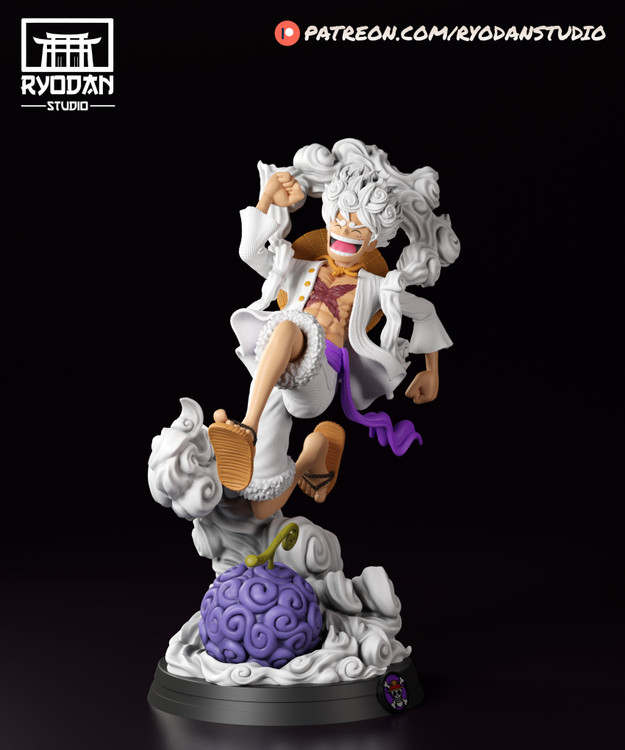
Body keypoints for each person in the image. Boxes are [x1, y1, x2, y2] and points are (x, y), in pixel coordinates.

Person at [208, 141, 460, 520]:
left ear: (374, 240)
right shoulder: (297, 267)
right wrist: (266, 199)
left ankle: (247, 427)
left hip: (322, 375)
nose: (345, 228)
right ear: (328, 220)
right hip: (275, 374)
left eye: (358, 226)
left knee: (290, 326)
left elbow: (424, 312)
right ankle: (315, 452)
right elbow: (251, 253)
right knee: (259, 507)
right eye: (339, 219)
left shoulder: (377, 287)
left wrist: (432, 372)